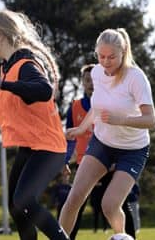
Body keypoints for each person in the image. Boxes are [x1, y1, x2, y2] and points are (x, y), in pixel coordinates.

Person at [60, 28, 155, 237]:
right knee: (74, 197)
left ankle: (122, 236)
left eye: (111, 57)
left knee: (109, 205)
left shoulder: (135, 78)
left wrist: (121, 120)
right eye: (101, 56)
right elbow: (97, 106)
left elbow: (151, 120)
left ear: (123, 52)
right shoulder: (96, 73)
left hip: (132, 150)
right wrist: (81, 128)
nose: (105, 62)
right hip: (102, 143)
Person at [0, 9, 69, 240]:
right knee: (15, 206)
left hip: (48, 148)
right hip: (31, 147)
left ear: (0, 36)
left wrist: (5, 85)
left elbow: (43, 90)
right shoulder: (6, 67)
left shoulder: (25, 64)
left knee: (24, 200)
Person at [62, 64, 95, 239]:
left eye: (95, 79)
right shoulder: (74, 107)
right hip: (85, 164)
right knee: (75, 204)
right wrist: (65, 160)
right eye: (87, 80)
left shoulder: (109, 103)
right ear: (82, 82)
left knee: (118, 204)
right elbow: (69, 138)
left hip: (110, 162)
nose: (91, 83)